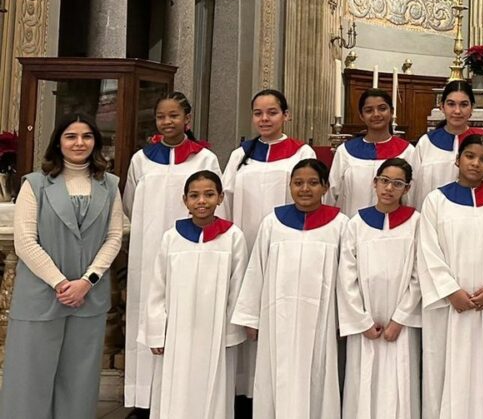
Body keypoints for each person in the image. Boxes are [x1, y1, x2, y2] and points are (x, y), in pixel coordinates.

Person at [0, 114, 125, 419]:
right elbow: (26, 242)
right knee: (30, 377)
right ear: (58, 141)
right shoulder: (36, 184)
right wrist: (60, 283)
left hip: (88, 297)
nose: (79, 143)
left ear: (96, 141)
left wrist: (86, 281)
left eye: (86, 136)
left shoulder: (109, 185)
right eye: (71, 136)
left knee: (79, 380)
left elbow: (113, 238)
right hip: (42, 295)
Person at [123, 92, 222, 413]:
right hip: (148, 248)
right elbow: (129, 203)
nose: (167, 122)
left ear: (187, 120)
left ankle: (185, 398)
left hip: (191, 250)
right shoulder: (141, 159)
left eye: (174, 116)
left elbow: (216, 204)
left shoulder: (204, 159)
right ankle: (144, 399)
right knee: (145, 313)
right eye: (161, 117)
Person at [417, 133, 483, 418]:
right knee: (446, 368)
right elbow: (428, 251)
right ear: (457, 159)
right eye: (470, 156)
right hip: (449, 306)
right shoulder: (435, 201)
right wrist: (451, 291)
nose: (476, 163)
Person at [218, 89, 316, 398]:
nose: (264, 119)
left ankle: (274, 392)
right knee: (245, 311)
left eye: (272, 112)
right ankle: (243, 391)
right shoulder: (241, 154)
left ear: (286, 115)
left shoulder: (302, 154)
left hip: (286, 247)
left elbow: (309, 197)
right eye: (258, 113)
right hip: (245, 245)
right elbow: (225, 201)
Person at [231, 158, 346, 419]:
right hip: (277, 319)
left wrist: (344, 320)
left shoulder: (340, 224)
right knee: (276, 375)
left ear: (326, 187)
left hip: (321, 322)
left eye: (313, 183)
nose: (305, 189)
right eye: (298, 183)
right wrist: (251, 317)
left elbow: (347, 277)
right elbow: (256, 270)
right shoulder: (273, 222)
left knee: (318, 376)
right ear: (290, 186)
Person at [140, 170, 248, 419]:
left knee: (214, 390)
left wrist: (231, 332)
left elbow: (238, 286)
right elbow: (158, 287)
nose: (202, 201)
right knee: (175, 389)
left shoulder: (232, 237)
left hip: (216, 333)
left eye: (209, 194)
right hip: (178, 332)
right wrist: (157, 332)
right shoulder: (172, 237)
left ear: (221, 198)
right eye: (194, 195)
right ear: (184, 200)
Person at [338, 158, 422, 419]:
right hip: (365, 323)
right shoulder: (357, 223)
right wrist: (361, 320)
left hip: (401, 324)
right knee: (362, 383)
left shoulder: (416, 222)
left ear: (407, 189)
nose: (389, 188)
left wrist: (400, 319)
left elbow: (419, 274)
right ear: (374, 183)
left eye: (397, 184)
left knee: (401, 385)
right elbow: (346, 276)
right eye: (384, 181)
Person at [328, 88, 418, 217]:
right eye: (369, 110)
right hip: (352, 224)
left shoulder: (407, 152)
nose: (376, 114)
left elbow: (411, 196)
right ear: (361, 116)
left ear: (391, 112)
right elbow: (332, 193)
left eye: (382, 108)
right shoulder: (345, 151)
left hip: (393, 227)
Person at [411, 80, 483, 211]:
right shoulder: (426, 143)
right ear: (442, 107)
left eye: (464, 105)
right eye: (451, 104)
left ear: (472, 108)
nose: (457, 111)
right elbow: (414, 188)